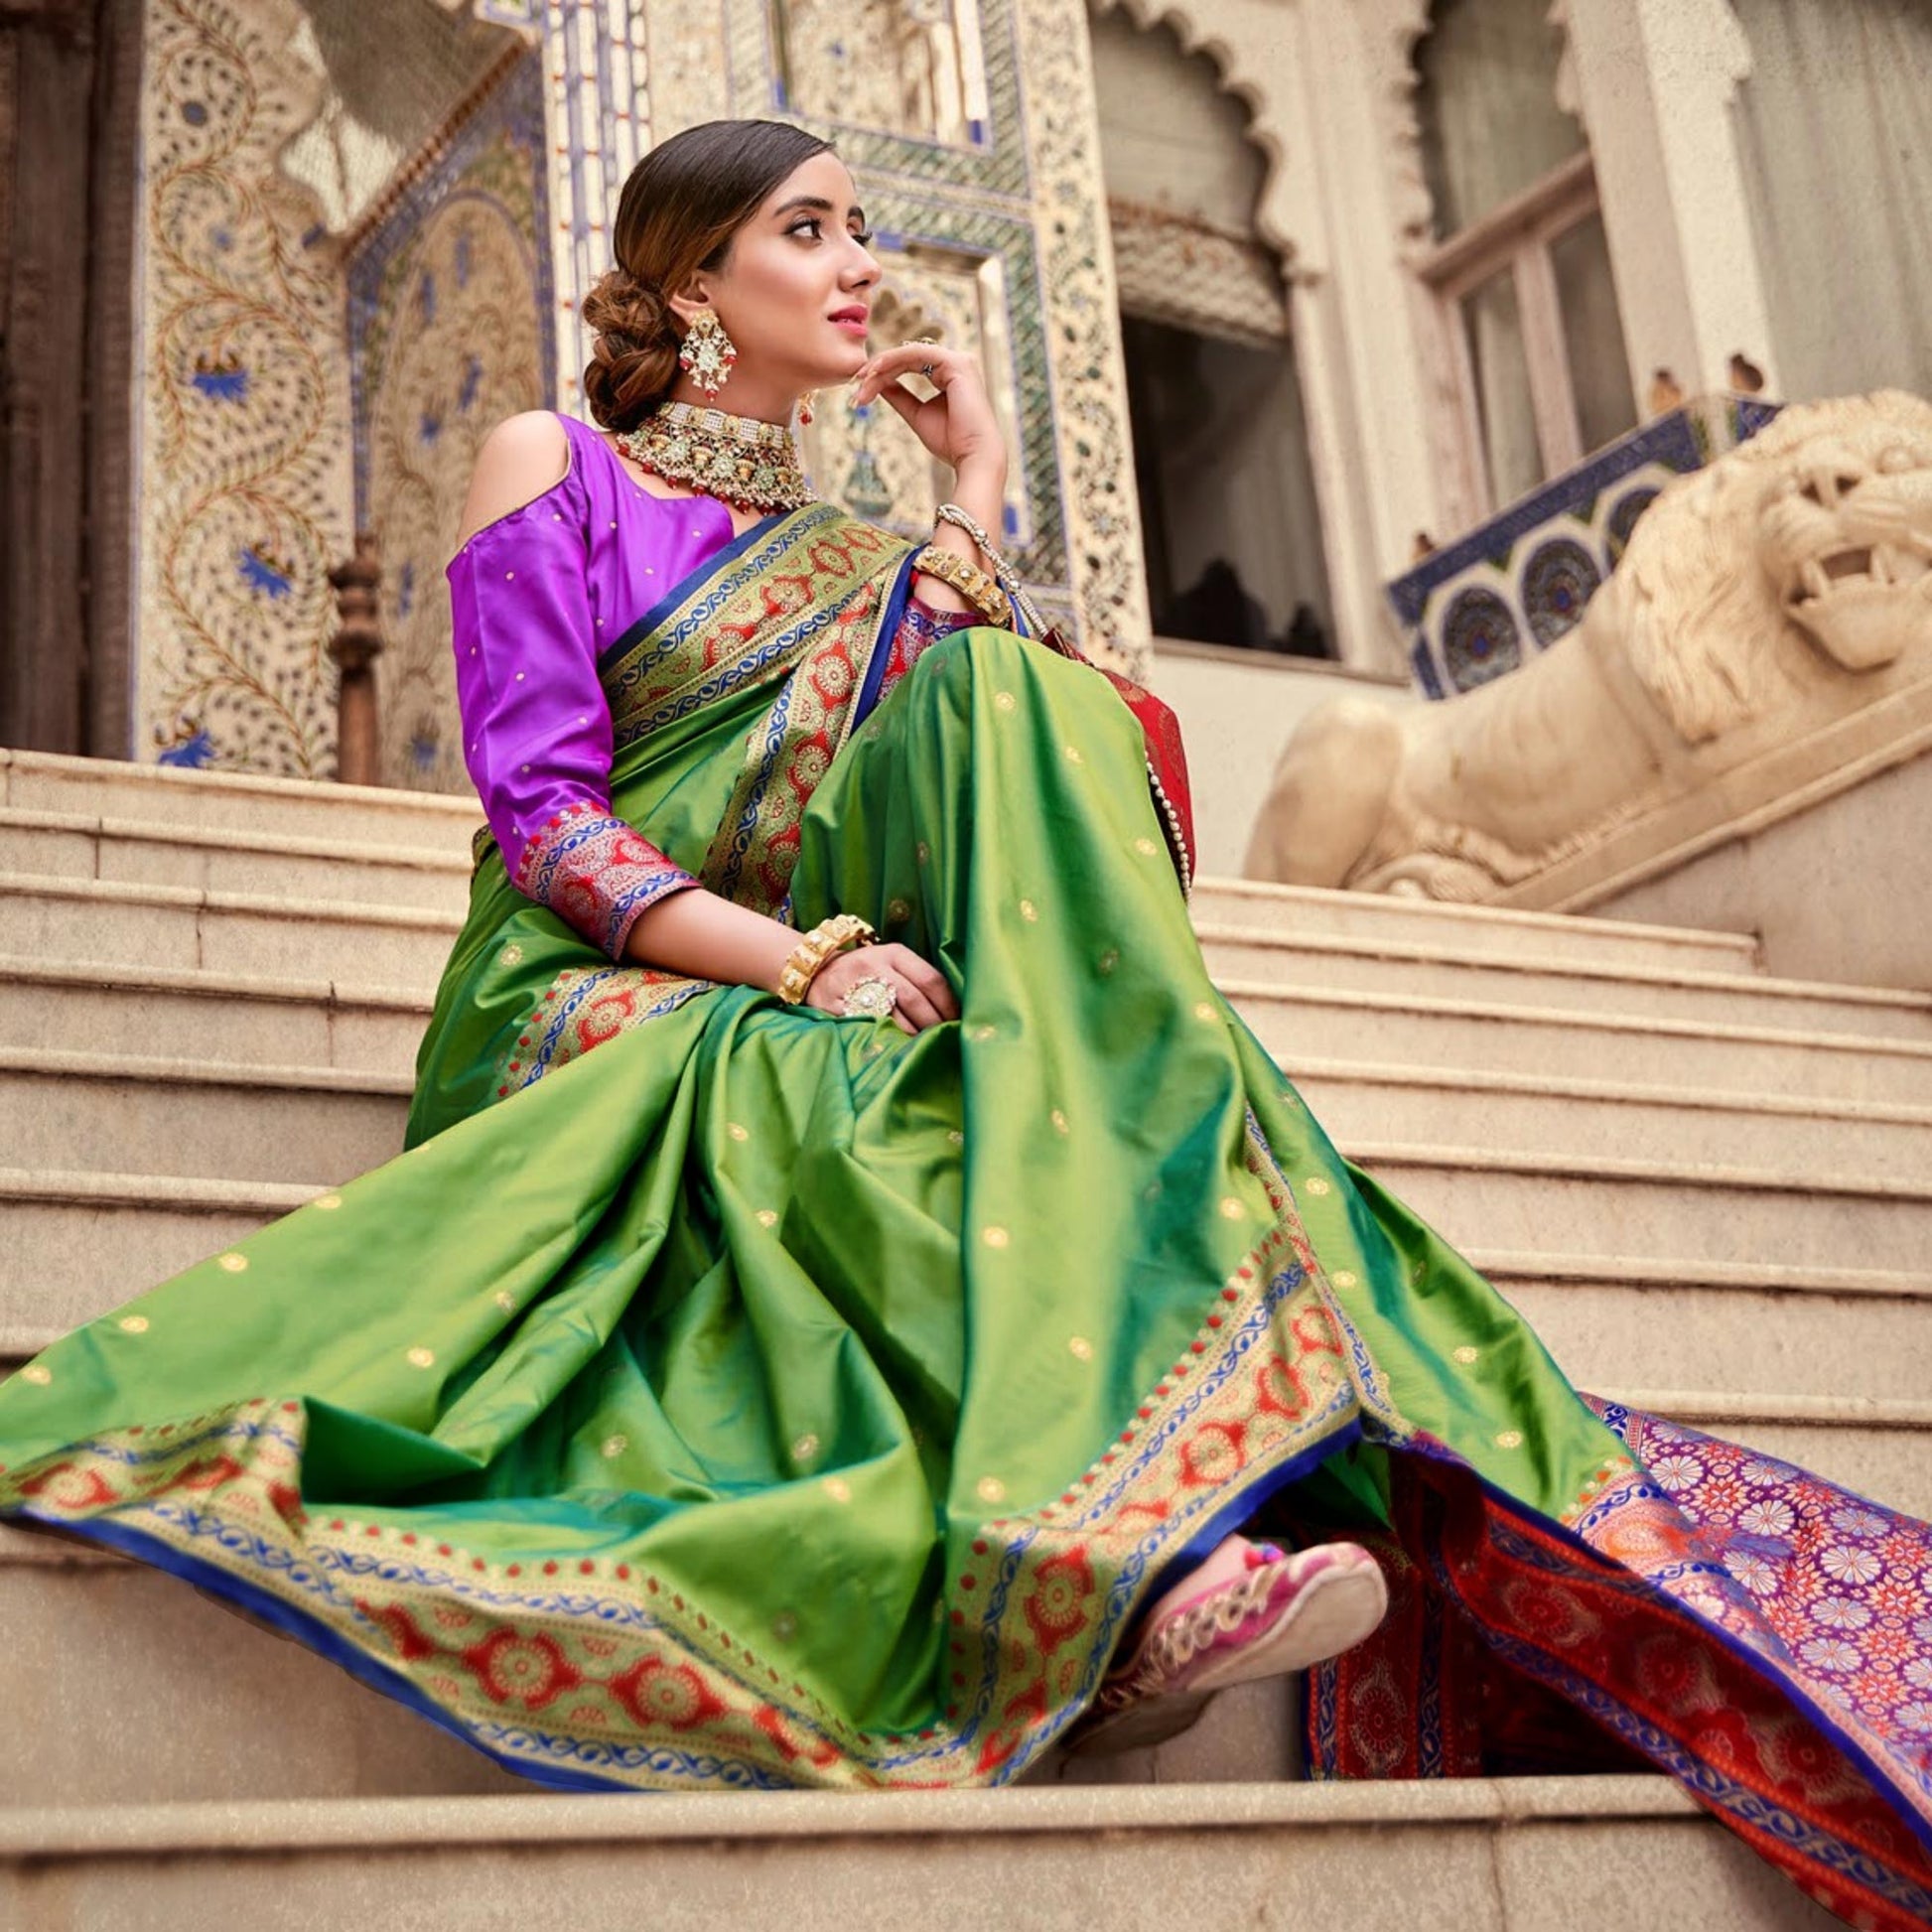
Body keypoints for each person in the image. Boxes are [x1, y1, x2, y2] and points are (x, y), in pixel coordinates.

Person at [0, 119, 1928, 1926]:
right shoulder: (551, 468)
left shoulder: (867, 558)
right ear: (688, 284)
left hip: (837, 956)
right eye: (811, 231)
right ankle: (1126, 1539)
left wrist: (972, 496)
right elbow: (542, 812)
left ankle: (1130, 1531)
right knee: (851, 1086)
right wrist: (794, 963)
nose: (864, 268)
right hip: (595, 982)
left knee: (1011, 761)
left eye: (862, 228)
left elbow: (976, 818)